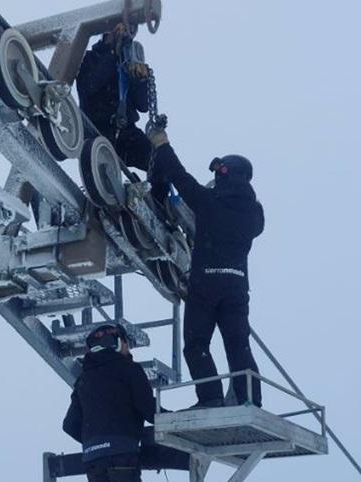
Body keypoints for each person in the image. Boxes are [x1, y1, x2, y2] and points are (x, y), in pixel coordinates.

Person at [147, 129, 264, 408]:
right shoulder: (254, 215)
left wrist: (162, 145)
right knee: (238, 345)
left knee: (197, 344)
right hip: (237, 286)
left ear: (224, 174)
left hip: (206, 284)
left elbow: (179, 176)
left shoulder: (210, 203)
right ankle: (251, 400)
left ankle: (210, 398)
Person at [63, 323, 156, 482]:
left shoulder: (83, 380)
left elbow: (69, 425)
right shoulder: (129, 369)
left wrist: (97, 440)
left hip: (93, 459)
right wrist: (174, 421)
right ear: (120, 343)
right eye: (127, 344)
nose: (128, 349)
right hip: (122, 454)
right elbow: (149, 410)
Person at [76, 23, 152, 173]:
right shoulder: (90, 58)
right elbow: (89, 87)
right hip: (97, 131)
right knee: (103, 173)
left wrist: (140, 80)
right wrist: (112, 54)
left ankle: (161, 194)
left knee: (156, 161)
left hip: (126, 133)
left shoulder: (128, 64)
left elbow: (143, 106)